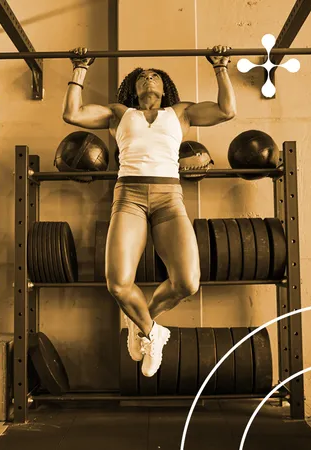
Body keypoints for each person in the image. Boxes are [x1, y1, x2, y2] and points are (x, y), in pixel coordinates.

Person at [62, 46, 236, 377]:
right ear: (133, 88)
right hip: (128, 197)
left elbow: (227, 111)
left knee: (187, 282)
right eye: (142, 76)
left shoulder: (181, 112)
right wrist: (80, 68)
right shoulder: (118, 113)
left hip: (170, 198)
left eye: (154, 75)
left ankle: (140, 323)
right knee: (117, 283)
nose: (148, 77)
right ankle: (153, 334)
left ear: (165, 86)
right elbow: (72, 114)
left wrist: (220, 67)